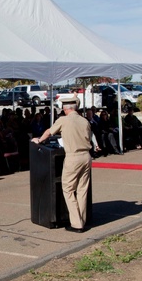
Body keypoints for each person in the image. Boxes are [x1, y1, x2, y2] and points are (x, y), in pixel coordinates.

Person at [32, 97, 93, 233]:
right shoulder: (84, 121)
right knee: (82, 190)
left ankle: (76, 223)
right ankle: (82, 220)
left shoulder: (63, 120)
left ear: (66, 109)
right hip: (86, 156)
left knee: (68, 188)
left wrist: (39, 140)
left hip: (73, 156)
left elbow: (49, 132)